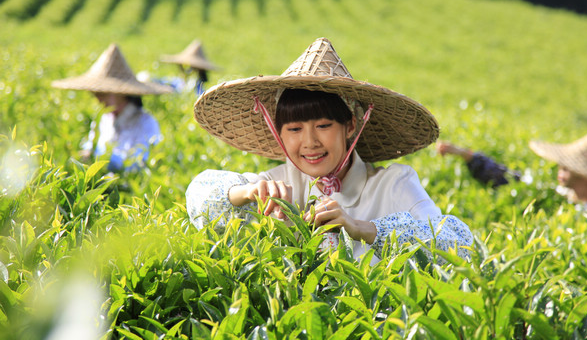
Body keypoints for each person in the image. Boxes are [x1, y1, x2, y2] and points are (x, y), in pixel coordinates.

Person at [186, 37, 473, 262]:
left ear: (349, 126)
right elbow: (198, 196)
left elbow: (459, 244)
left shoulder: (393, 184)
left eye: (323, 125)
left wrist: (361, 228)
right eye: (295, 129)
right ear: (279, 134)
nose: (310, 142)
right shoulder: (277, 181)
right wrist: (247, 193)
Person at [51, 43, 172, 172]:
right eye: (95, 94)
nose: (98, 99)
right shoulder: (103, 119)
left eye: (102, 94)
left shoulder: (146, 123)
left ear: (121, 93)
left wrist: (105, 160)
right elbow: (91, 146)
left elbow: (140, 163)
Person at [437, 129, 587, 220]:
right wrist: (465, 154)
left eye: (568, 166)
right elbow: (509, 179)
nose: (561, 168)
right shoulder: (560, 196)